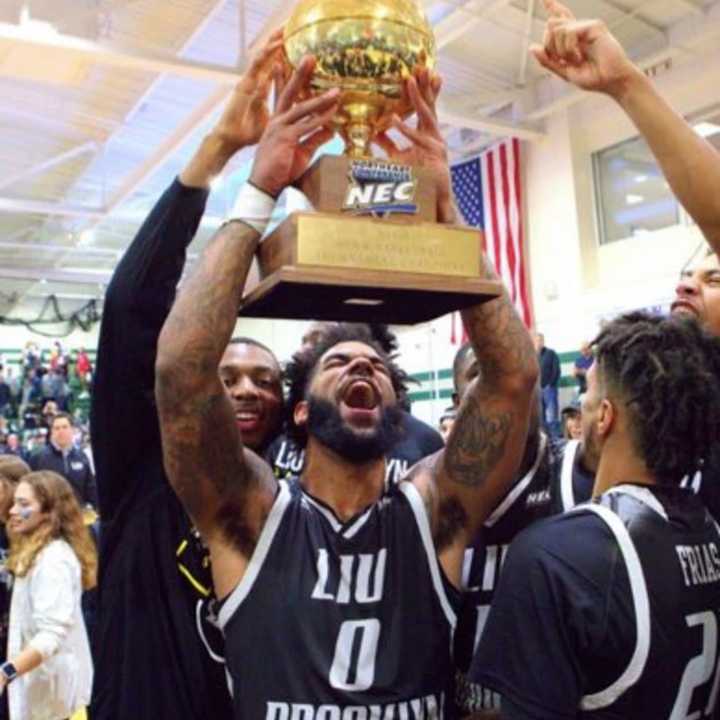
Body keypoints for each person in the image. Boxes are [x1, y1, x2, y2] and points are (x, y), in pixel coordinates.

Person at [154, 56, 538, 718]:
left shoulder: (434, 509)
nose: (362, 368)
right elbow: (182, 373)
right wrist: (260, 189)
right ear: (300, 411)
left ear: (397, 403)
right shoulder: (250, 513)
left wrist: (447, 214)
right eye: (340, 365)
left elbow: (514, 377)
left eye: (377, 368)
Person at [89, 30, 286, 720]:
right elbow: (131, 306)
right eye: (225, 374)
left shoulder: (283, 504)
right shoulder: (143, 465)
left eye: (265, 379)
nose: (244, 388)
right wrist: (221, 152)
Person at [471, 312, 720, 718]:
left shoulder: (552, 556)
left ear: (604, 417)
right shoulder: (710, 531)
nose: (580, 406)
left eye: (586, 394)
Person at [268, 321, 444, 483]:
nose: (362, 363)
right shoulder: (268, 501)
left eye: (378, 365)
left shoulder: (421, 499)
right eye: (337, 362)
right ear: (302, 411)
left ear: (397, 413)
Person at [3, 471, 96, 720]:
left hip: (56, 701)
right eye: (14, 502)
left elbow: (51, 634)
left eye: (24, 504)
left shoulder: (54, 559)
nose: (13, 511)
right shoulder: (36, 551)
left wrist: (6, 672)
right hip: (42, 698)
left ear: (49, 511)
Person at [30, 413, 96, 508]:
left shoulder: (81, 456)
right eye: (57, 428)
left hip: (77, 513)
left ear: (72, 430)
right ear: (52, 432)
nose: (61, 431)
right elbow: (31, 488)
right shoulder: (38, 457)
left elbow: (90, 488)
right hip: (49, 515)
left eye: (65, 427)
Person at [534, 332, 561, 436]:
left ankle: (556, 439)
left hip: (549, 390)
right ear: (534, 342)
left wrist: (550, 384)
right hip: (537, 391)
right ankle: (546, 441)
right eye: (537, 341)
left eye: (540, 340)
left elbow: (556, 370)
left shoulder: (551, 353)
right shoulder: (532, 356)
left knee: (552, 417)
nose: (539, 342)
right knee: (541, 419)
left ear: (543, 341)